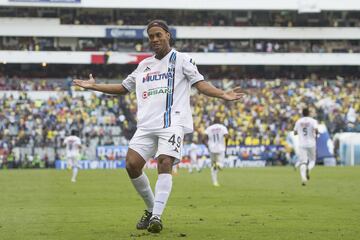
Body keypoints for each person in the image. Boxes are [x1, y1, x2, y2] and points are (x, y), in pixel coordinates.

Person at [73, 19, 245, 233]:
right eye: (151, 36)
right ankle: (151, 209)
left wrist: (222, 94)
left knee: (165, 162)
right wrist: (94, 86)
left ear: (167, 35)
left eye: (158, 35)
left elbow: (199, 84)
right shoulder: (144, 65)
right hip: (146, 125)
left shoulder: (182, 60)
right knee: (131, 165)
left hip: (172, 122)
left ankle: (156, 217)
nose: (154, 39)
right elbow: (123, 87)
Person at [294, 108, 318, 186]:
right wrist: (316, 135)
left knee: (303, 162)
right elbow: (316, 130)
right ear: (309, 113)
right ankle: (309, 168)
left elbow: (295, 132)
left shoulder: (298, 121)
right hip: (311, 143)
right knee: (312, 161)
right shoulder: (313, 121)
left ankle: (303, 178)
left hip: (302, 144)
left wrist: (300, 131)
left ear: (302, 113)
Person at [205, 118, 229, 187]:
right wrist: (226, 145)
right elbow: (227, 136)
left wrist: (207, 146)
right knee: (221, 164)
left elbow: (203, 138)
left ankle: (215, 182)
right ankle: (218, 164)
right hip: (221, 148)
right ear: (219, 122)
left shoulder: (209, 128)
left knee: (213, 166)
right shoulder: (222, 127)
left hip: (212, 149)